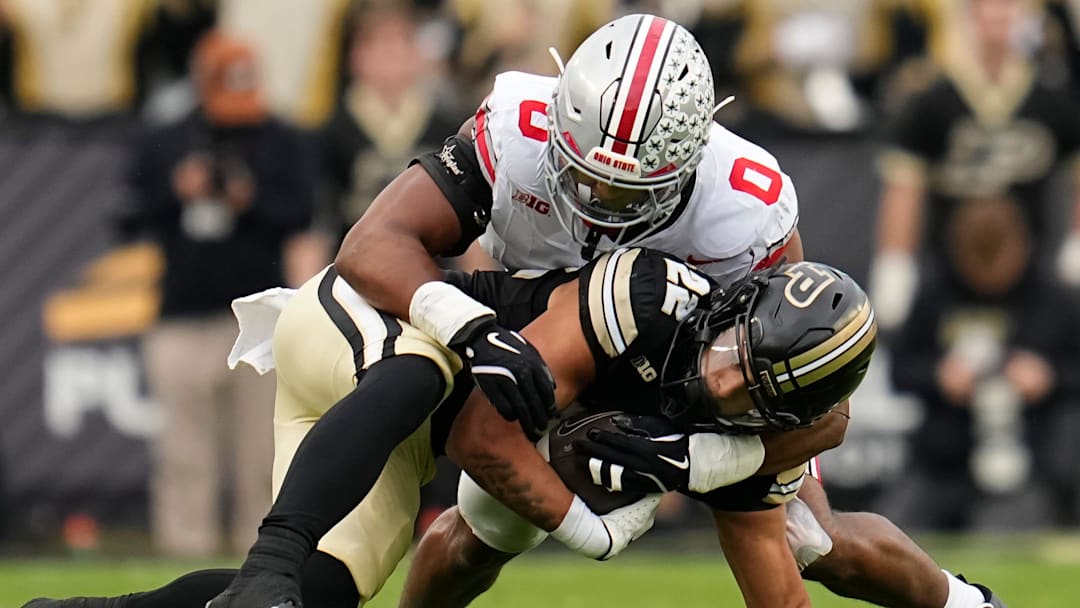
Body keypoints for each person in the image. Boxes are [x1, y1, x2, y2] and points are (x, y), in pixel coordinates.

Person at [25, 251, 875, 608]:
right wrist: (596, 530)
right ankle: (271, 558)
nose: (720, 374)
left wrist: (691, 462)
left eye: (745, 386)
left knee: (319, 599)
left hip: (397, 436)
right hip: (364, 328)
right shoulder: (647, 296)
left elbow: (778, 542)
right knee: (430, 369)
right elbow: (478, 437)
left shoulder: (740, 441)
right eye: (731, 349)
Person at [122, 30, 316, 558]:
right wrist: (174, 191)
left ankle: (264, 557)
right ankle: (185, 549)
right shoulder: (167, 140)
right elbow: (126, 216)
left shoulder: (279, 138)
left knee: (262, 451)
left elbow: (302, 212)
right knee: (185, 451)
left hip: (259, 313)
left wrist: (248, 199)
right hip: (183, 312)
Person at [886, 194, 1080, 530]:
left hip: (1029, 462)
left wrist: (1048, 378)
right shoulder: (935, 295)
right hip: (941, 462)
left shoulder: (1054, 299)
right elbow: (899, 371)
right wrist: (938, 376)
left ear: (1023, 246)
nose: (990, 278)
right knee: (900, 532)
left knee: (1010, 541)